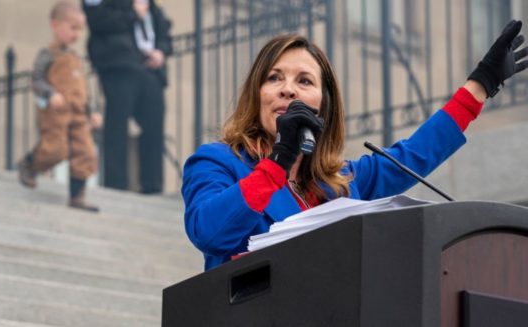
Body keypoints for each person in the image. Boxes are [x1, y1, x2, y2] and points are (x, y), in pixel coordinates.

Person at [182, 21, 528, 271]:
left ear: (323, 106)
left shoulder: (344, 183)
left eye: (304, 81)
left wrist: (481, 84)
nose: (287, 89)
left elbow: (417, 152)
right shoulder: (217, 162)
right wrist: (278, 161)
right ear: (257, 96)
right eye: (274, 78)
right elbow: (210, 234)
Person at [17, 0, 101, 212]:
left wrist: (92, 112)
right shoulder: (48, 54)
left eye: (80, 29)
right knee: (55, 149)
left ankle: (77, 195)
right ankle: (30, 164)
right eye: (73, 28)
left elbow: (84, 90)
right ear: (56, 25)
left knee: (86, 152)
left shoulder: (76, 58)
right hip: (56, 113)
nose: (77, 34)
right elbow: (36, 79)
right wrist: (50, 93)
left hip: (78, 114)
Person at [82, 0, 173, 194]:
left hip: (150, 70)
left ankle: (152, 186)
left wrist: (161, 52)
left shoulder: (152, 7)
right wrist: (132, 14)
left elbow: (164, 31)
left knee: (154, 124)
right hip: (119, 65)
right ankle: (115, 184)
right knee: (117, 123)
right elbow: (96, 20)